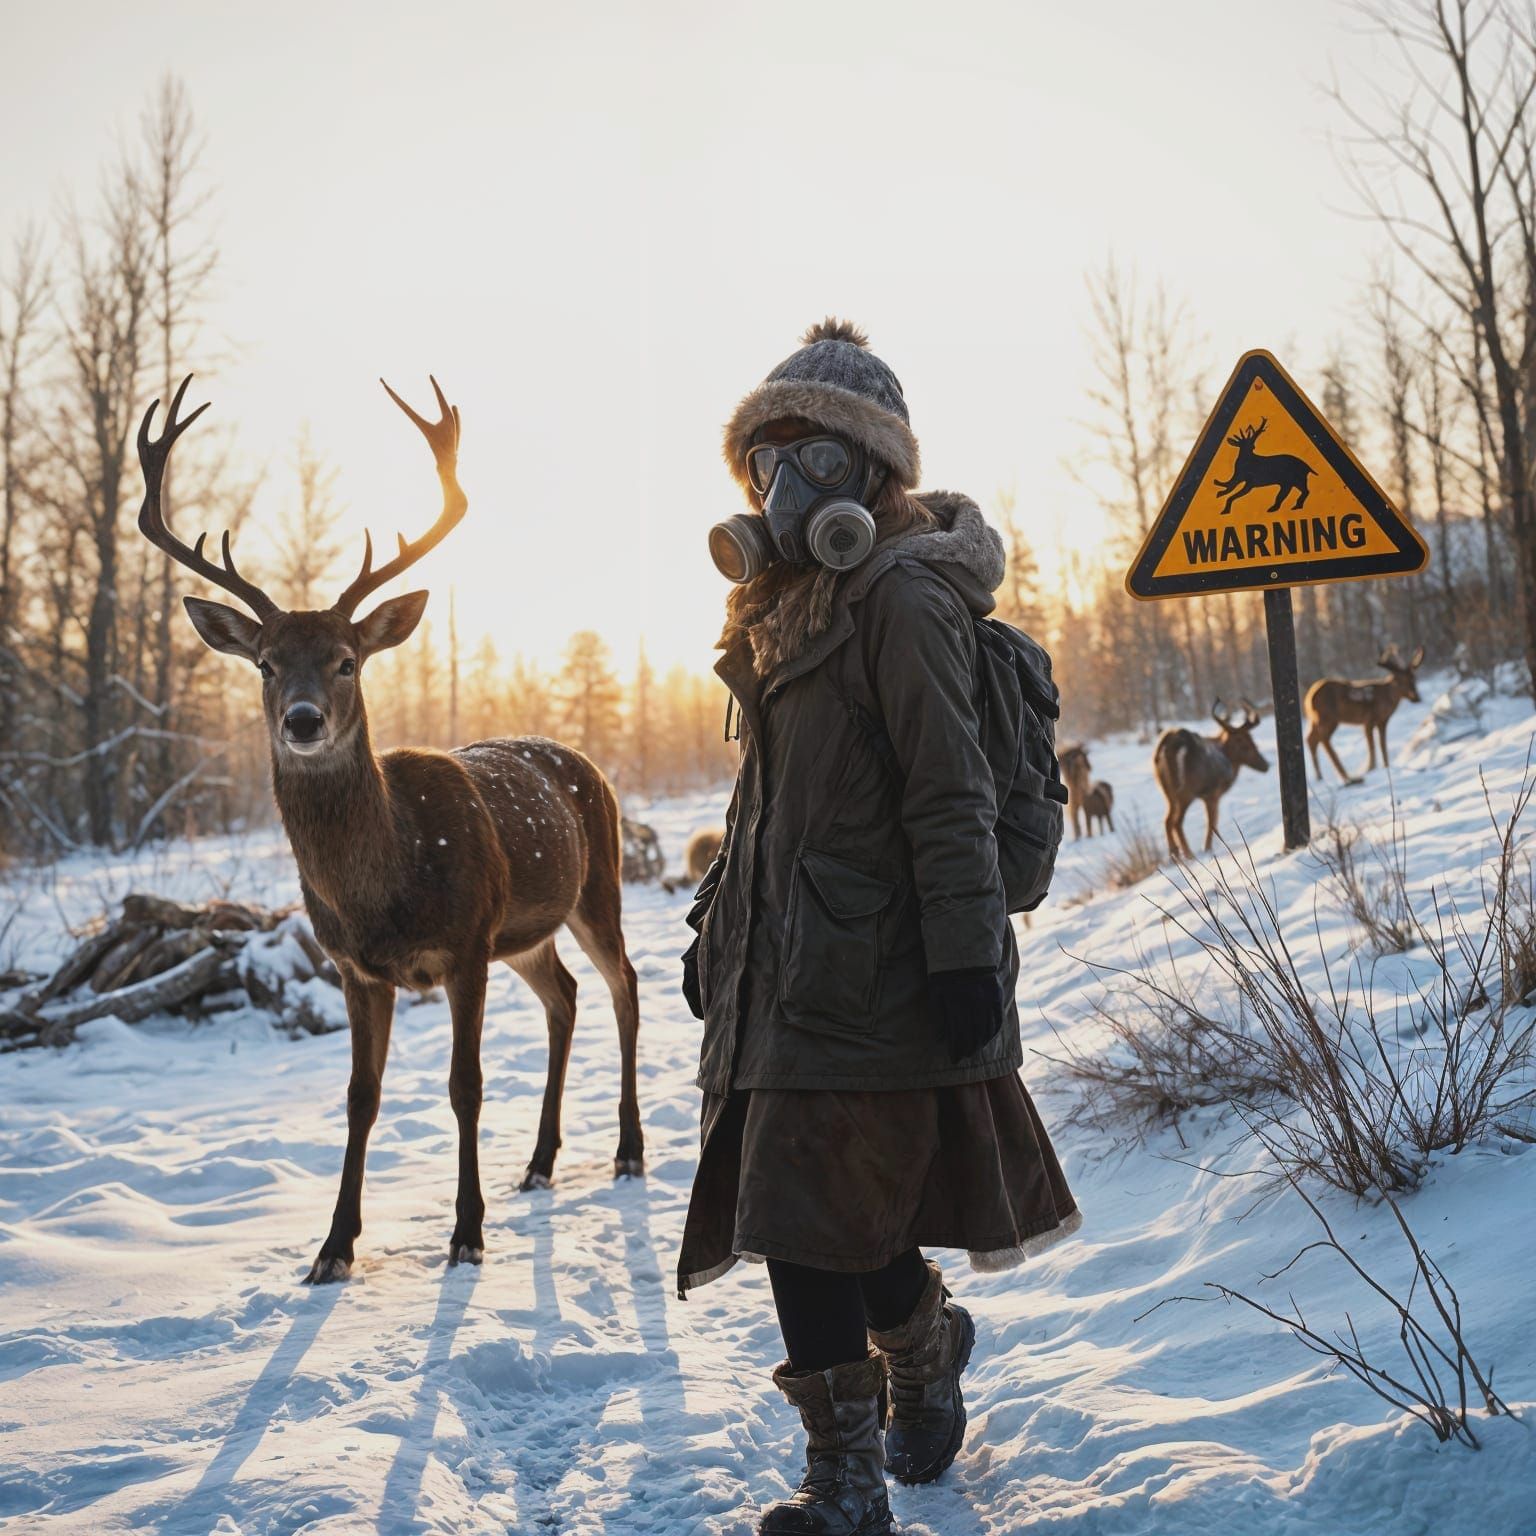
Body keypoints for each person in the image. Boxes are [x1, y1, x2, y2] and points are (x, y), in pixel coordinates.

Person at [677, 319, 1080, 1536]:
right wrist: (716, 927)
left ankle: (843, 1489)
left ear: (869, 469)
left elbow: (945, 788)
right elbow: (771, 807)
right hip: (788, 967)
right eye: (762, 461)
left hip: (885, 964)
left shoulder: (901, 591)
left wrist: (964, 954)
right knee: (825, 1221)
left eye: (808, 456)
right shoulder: (784, 605)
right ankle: (923, 1344)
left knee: (811, 1218)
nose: (779, 485)